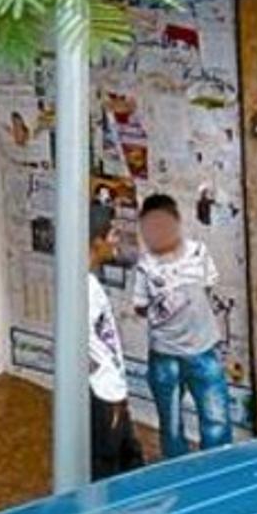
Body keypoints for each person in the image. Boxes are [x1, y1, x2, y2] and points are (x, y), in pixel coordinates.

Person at [132, 193, 232, 458]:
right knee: (172, 426)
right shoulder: (145, 265)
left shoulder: (198, 252)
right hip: (164, 355)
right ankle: (179, 477)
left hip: (203, 350)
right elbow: (139, 306)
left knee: (216, 422)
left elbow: (209, 285)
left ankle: (218, 474)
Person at [87, 203, 145, 479]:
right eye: (111, 234)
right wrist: (104, 386)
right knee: (109, 469)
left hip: (112, 392)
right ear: (96, 242)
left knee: (129, 462)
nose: (115, 240)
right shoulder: (81, 289)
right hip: (103, 394)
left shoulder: (90, 282)